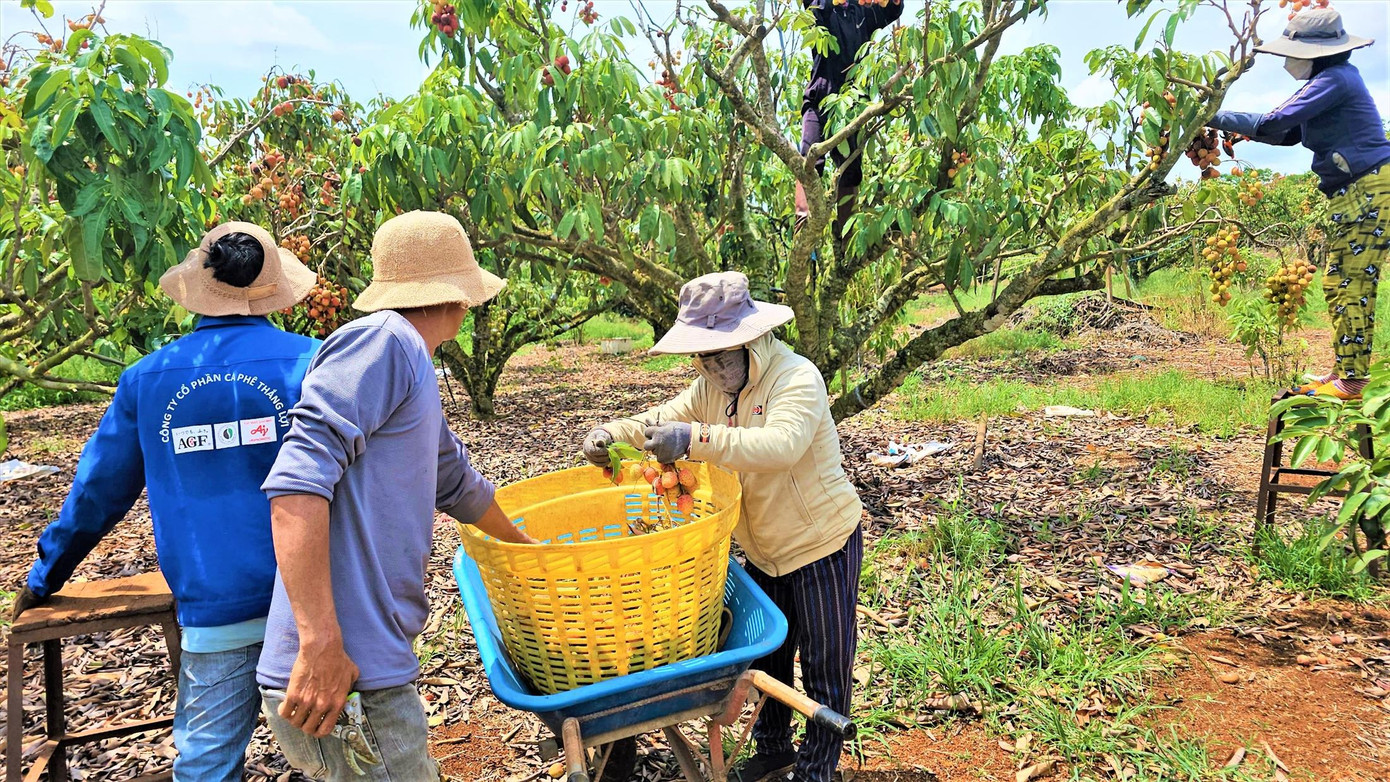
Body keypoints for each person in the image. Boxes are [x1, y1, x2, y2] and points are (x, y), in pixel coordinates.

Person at [12, 223, 319, 782]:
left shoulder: (148, 379)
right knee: (342, 755)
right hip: (311, 610)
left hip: (215, 607)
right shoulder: (315, 365)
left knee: (206, 764)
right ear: (273, 289)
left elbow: (97, 493)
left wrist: (45, 575)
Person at [256, 210, 535, 782]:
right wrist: (319, 644)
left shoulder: (412, 366)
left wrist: (529, 549)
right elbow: (295, 483)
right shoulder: (385, 343)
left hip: (361, 672)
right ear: (457, 297)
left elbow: (455, 481)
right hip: (346, 677)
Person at [582, 272, 863, 782]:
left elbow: (780, 446)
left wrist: (693, 438)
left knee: (825, 661)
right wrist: (611, 433)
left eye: (723, 354)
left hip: (821, 542)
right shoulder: (708, 388)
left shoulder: (796, 377)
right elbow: (657, 420)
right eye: (703, 357)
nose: (714, 366)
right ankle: (774, 748)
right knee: (771, 658)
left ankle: (819, 768)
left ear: (753, 338)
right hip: (760, 548)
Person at [1209, 6, 1390, 400]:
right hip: (1355, 190)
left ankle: (1353, 381)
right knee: (1337, 281)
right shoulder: (1332, 79)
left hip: (1369, 188)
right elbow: (1288, 134)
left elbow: (1274, 123)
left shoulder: (1335, 79)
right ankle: (1344, 370)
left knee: (1351, 282)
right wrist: (1231, 127)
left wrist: (1211, 115)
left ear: (1316, 50)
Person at [794, 0, 904, 236]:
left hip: (852, 105)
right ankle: (802, 219)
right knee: (809, 155)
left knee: (850, 169)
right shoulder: (822, 9)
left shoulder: (863, 12)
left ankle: (845, 234)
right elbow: (813, 9)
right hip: (819, 97)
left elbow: (891, 10)